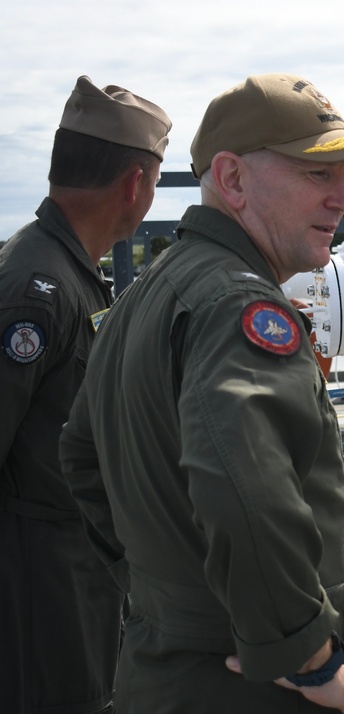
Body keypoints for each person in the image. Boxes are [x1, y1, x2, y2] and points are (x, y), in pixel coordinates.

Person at [59, 73, 344, 714]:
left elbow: (81, 458)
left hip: (164, 671)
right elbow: (244, 482)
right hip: (250, 686)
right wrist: (304, 654)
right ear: (234, 179)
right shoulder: (236, 303)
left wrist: (161, 598)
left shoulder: (147, 293)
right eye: (315, 173)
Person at [0, 76, 170, 713]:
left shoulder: (60, 271)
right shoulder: (36, 290)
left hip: (73, 580)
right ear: (135, 184)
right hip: (40, 599)